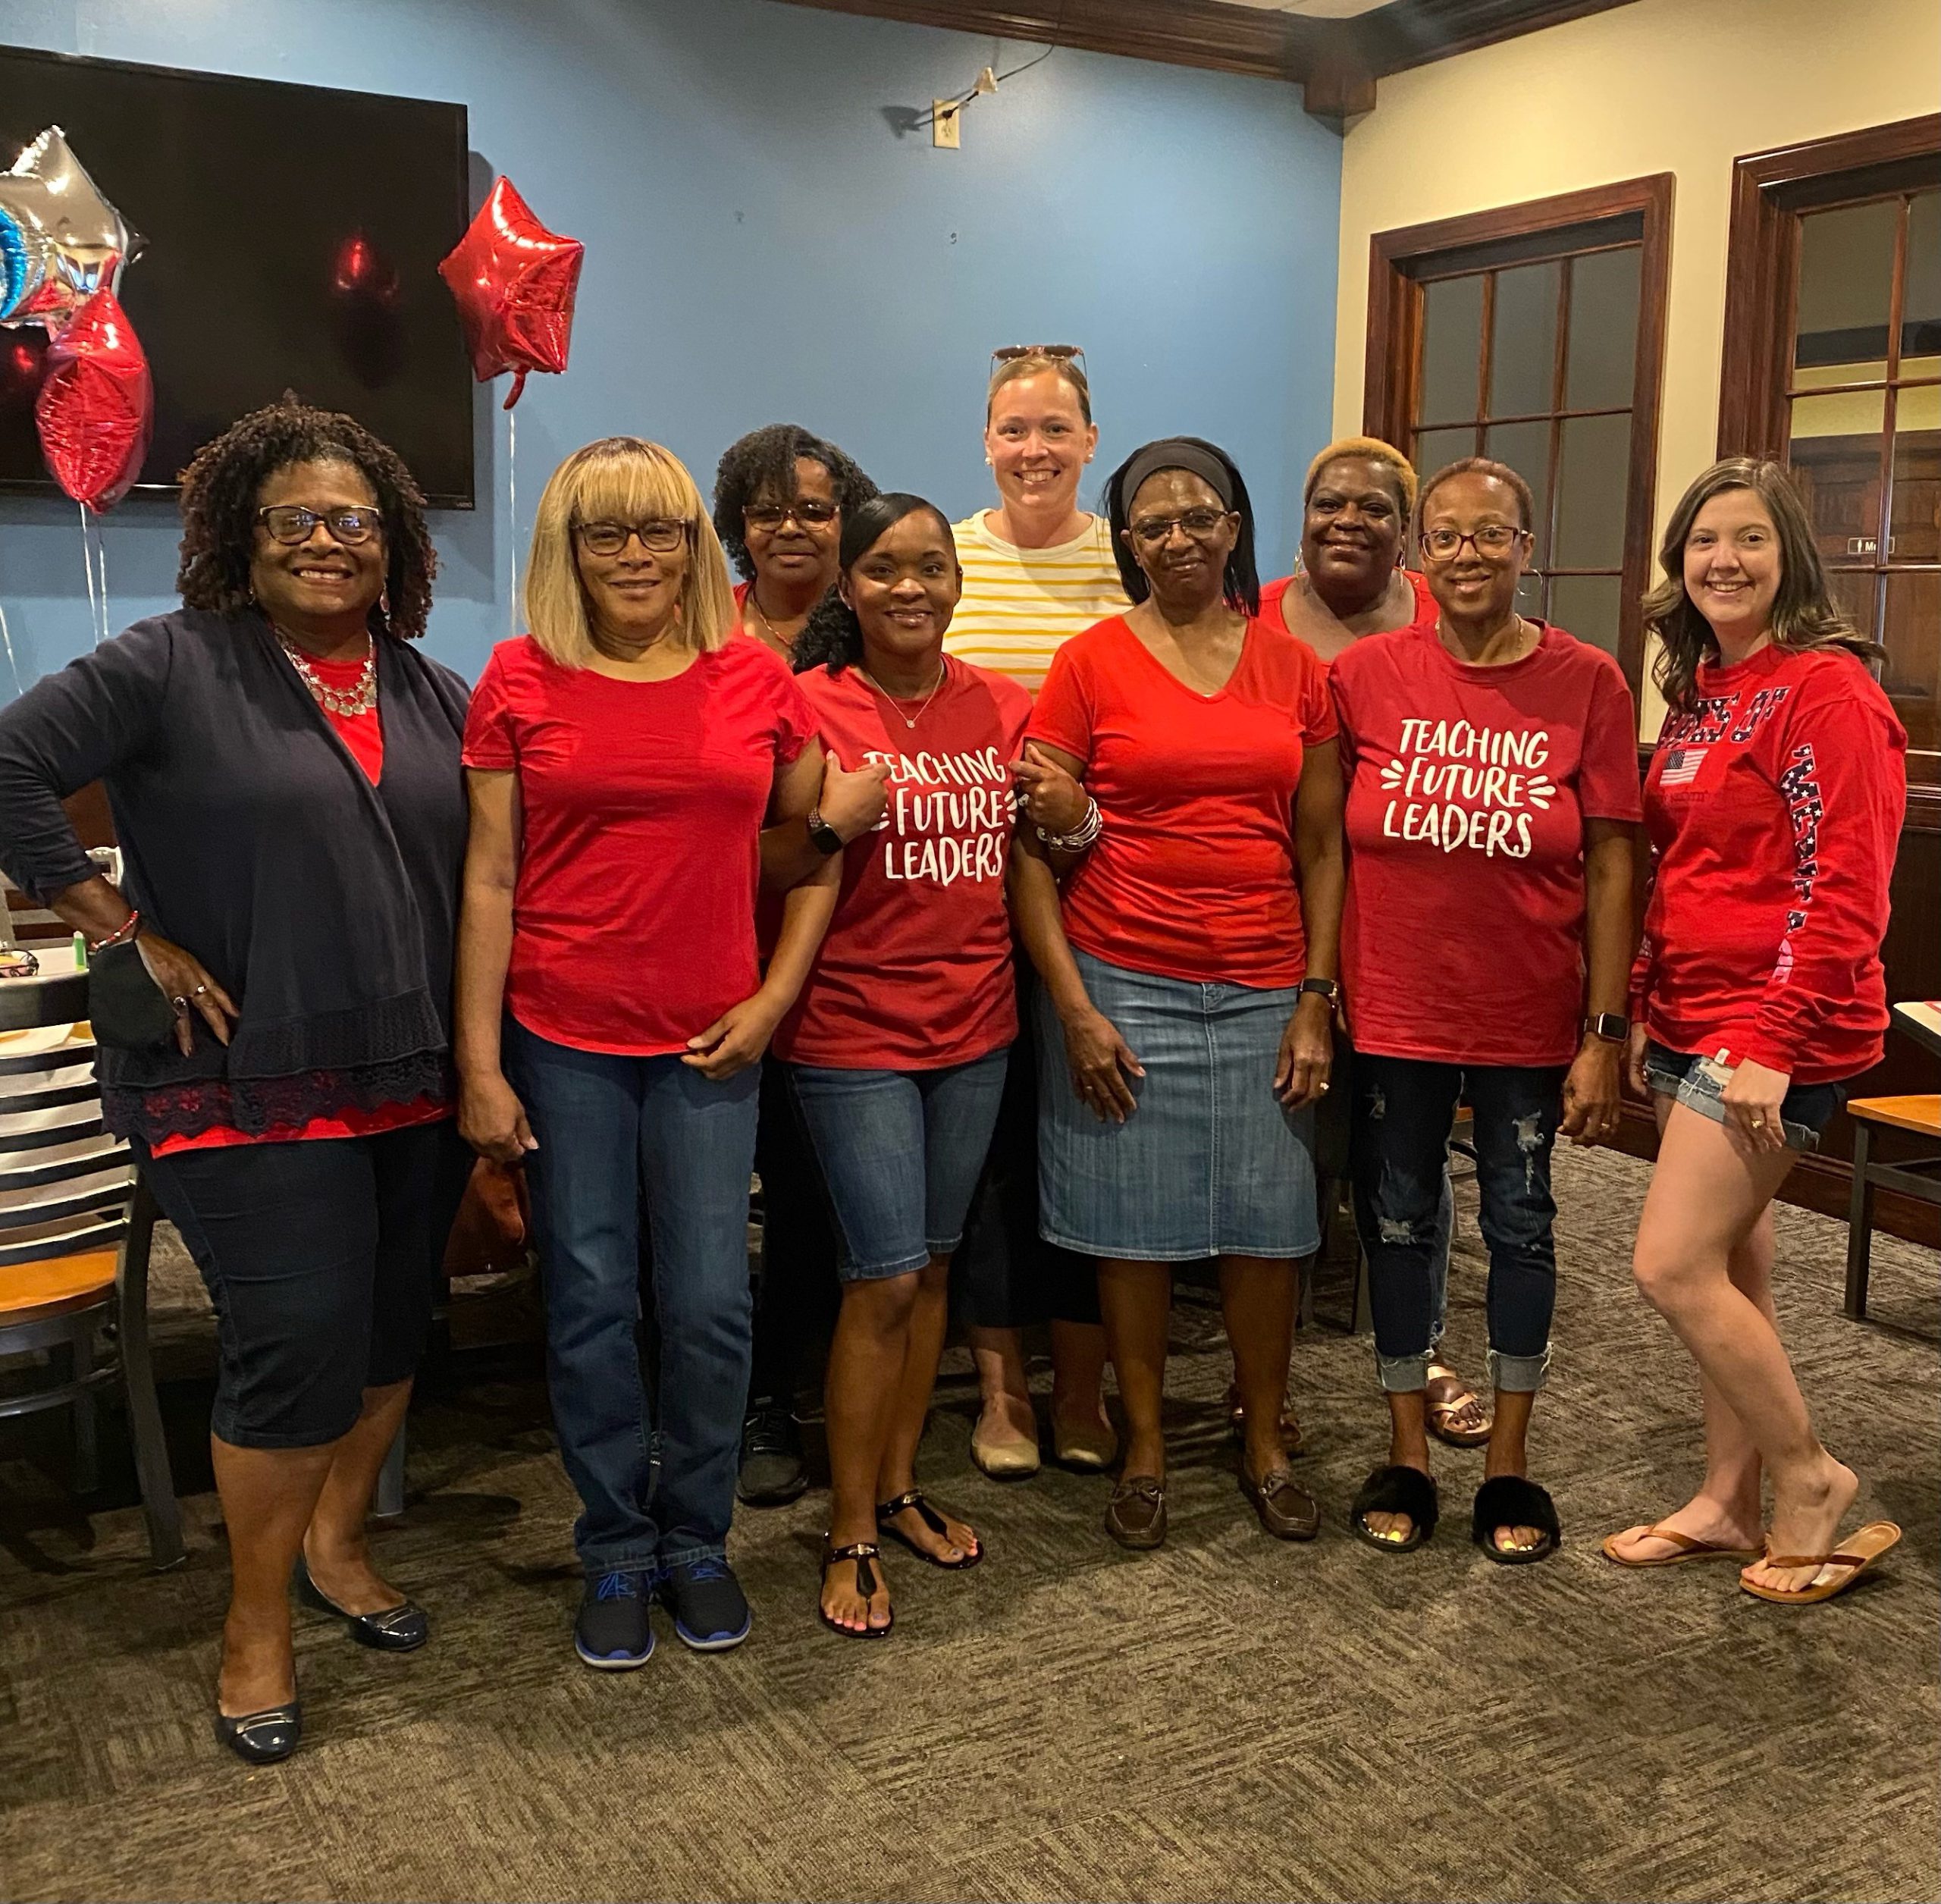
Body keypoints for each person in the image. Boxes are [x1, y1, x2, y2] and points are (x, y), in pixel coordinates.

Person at [0, 399, 472, 1765]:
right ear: (240, 539)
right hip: (237, 1081)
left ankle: (335, 1545)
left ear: (390, 548)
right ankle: (252, 1620)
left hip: (412, 1076)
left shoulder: (433, 689)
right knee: (296, 1343)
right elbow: (9, 764)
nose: (326, 542)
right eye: (294, 520)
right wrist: (119, 924)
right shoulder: (169, 665)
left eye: (354, 521)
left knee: (392, 1332)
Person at [455, 438, 835, 1672]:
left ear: (691, 546)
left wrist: (777, 997)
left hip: (714, 1044)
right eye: (604, 533)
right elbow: (491, 879)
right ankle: (615, 1541)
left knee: (714, 1306)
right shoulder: (516, 679)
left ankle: (697, 1536)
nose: (633, 555)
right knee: (589, 1304)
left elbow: (820, 847)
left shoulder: (759, 684)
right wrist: (479, 1062)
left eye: (657, 531)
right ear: (568, 551)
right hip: (561, 1039)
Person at [1010, 436, 1343, 1552]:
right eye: (1152, 524)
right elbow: (1034, 844)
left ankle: (1262, 1441)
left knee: (1268, 1228)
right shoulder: (1088, 662)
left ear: (1235, 528)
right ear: (1129, 543)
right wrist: (1073, 1008)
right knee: (1130, 1231)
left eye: (1198, 517)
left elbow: (1324, 849)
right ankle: (1145, 1443)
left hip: (1262, 985)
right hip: (1123, 975)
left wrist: (1314, 996)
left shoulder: (1296, 669)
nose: (1177, 539)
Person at [1604, 457, 1906, 1604]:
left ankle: (1810, 1474)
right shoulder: (1705, 694)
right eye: (1703, 543)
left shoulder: (1826, 692)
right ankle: (1726, 1504)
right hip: (1691, 1013)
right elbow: (1681, 861)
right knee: (1731, 1261)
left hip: (1778, 1029)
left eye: (1750, 541)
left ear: (1793, 560)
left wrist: (1775, 1040)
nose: (1723, 562)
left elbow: (1846, 891)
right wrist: (1641, 990)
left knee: (1670, 1263)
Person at [1332, 456, 1641, 1564]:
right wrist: (1322, 997)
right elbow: (1326, 848)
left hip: (1528, 1015)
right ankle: (1408, 1447)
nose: (1468, 556)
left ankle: (1510, 1459)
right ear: (1420, 555)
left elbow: (1612, 863)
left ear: (1527, 548)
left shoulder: (1590, 682)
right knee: (1400, 1229)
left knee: (1523, 1227)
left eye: (1492, 536)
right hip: (1397, 1011)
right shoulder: (1366, 674)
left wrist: (1607, 1031)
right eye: (1447, 538)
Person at [768, 494, 1062, 1635]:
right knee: (881, 1275)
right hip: (850, 1032)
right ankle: (847, 1525)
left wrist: (1073, 813)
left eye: (930, 568)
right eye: (884, 569)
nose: (910, 587)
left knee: (936, 1267)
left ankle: (896, 1487)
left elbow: (1053, 847)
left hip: (976, 1025)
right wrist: (835, 823)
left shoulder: (1001, 704)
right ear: (850, 588)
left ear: (956, 582)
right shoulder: (807, 704)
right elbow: (757, 861)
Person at [1262, 435, 1489, 1451]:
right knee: (1290, 1156)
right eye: (1327, 503)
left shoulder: (1455, 626)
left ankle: (1426, 1346)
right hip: (1280, 927)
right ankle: (1266, 1373)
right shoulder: (1249, 620)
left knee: (1409, 1158)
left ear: (1407, 535)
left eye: (1373, 508)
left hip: (1414, 936)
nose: (1346, 520)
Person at [941, 345, 1129, 1478]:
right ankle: (1004, 1392)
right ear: (985, 440)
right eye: (1015, 429)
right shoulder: (944, 562)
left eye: (1056, 429)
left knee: (1091, 1154)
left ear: (1090, 442)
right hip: (962, 912)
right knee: (998, 1160)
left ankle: (1087, 1389)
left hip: (1104, 903)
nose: (1035, 451)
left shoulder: (1131, 568)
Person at [712, 424, 880, 1507]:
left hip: (841, 968)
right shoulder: (698, 631)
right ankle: (711, 1401)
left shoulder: (875, 630)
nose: (792, 527)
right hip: (709, 955)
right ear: (737, 525)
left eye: (815, 508)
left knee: (813, 1207)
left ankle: (784, 1397)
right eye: (769, 509)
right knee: (707, 1205)